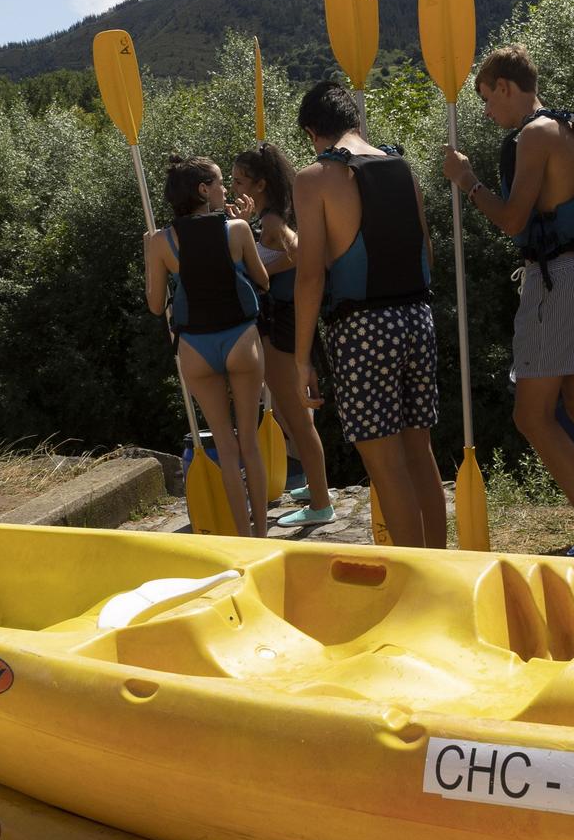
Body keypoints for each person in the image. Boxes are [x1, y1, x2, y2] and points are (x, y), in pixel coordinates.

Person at [440, 44, 574, 558]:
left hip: (556, 282)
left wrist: (466, 180)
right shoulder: (565, 127)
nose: (487, 111)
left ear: (505, 85)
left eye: (487, 98)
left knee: (532, 415)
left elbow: (513, 219)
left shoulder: (536, 134)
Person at [291, 81, 448, 548]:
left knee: (386, 467)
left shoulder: (314, 177)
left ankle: (416, 583)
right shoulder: (401, 166)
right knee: (420, 456)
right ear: (355, 122)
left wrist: (303, 359)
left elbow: (310, 276)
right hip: (418, 318)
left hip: (362, 330)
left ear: (311, 131)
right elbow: (428, 254)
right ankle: (444, 570)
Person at [145, 156, 274, 535]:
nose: (224, 190)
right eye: (219, 183)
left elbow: (156, 306)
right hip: (241, 341)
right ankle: (263, 537)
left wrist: (148, 253)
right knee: (249, 443)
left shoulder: (158, 241)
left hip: (196, 350)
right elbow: (262, 280)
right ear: (203, 190)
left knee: (227, 447)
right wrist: (247, 229)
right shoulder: (237, 230)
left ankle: (243, 539)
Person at [231, 143, 336, 527]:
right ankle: (314, 486)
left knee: (295, 414)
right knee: (293, 415)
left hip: (284, 321)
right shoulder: (269, 217)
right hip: (282, 319)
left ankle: (322, 504)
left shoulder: (274, 222)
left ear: (260, 184)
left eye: (240, 180)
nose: (233, 186)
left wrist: (260, 272)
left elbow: (304, 254)